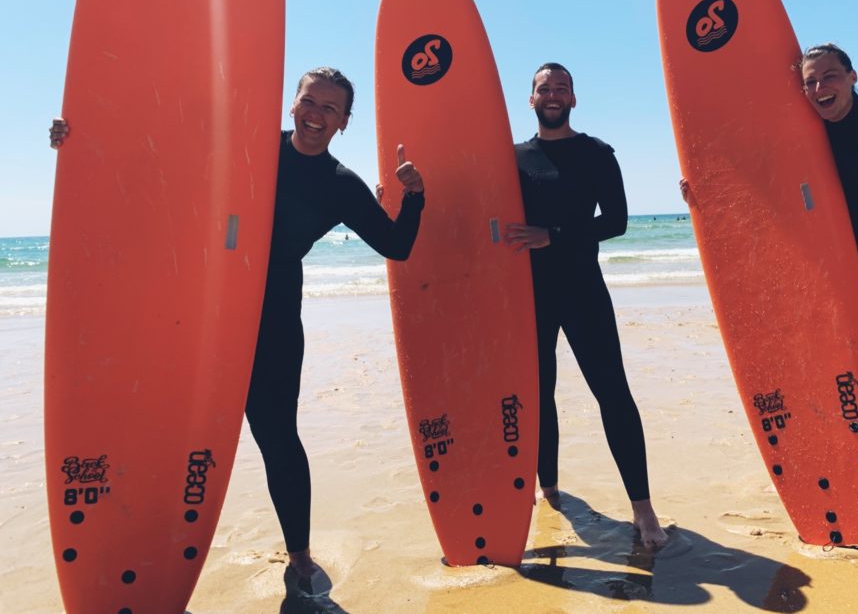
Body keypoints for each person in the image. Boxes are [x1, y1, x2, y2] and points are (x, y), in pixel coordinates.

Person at [51, 66, 426, 597]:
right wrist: (81, 137)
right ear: (292, 103)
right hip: (203, 312)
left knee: (277, 438)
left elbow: (397, 246)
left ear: (344, 122)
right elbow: (155, 163)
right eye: (309, 102)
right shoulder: (248, 147)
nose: (316, 115)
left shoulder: (341, 185)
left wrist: (415, 196)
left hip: (273, 322)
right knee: (172, 430)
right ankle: (146, 543)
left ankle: (298, 554)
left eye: (330, 109)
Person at [680, 43, 858, 524]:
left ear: (852, 76)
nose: (819, 88)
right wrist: (704, 195)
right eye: (809, 82)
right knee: (839, 387)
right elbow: (762, 197)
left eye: (829, 76)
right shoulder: (803, 134)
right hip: (829, 285)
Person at [504, 62, 668, 550]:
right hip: (528, 294)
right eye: (543, 88)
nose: (552, 94)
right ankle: (548, 488)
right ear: (530, 99)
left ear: (573, 98)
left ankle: (644, 509)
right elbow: (481, 212)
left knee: (612, 392)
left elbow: (616, 221)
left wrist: (550, 236)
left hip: (582, 288)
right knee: (538, 394)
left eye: (561, 88)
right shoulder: (510, 157)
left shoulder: (597, 153)